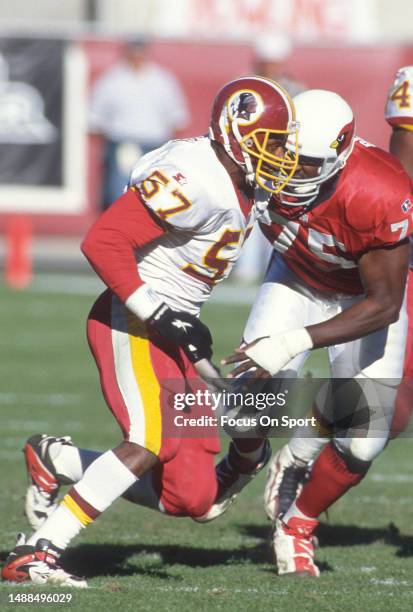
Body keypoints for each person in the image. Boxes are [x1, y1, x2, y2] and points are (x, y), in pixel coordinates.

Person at [1, 76, 299, 587]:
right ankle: (37, 553)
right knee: (150, 438)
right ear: (232, 134)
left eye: (278, 145)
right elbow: (104, 241)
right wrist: (159, 314)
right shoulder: (195, 175)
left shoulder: (244, 182)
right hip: (134, 316)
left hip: (177, 327)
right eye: (265, 143)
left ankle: (60, 459)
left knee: (196, 498)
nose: (275, 156)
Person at [222, 89, 413, 577]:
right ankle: (245, 460)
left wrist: (290, 342)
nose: (290, 170)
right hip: (295, 275)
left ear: (340, 154)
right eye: (285, 154)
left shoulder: (378, 191)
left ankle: (297, 523)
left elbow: (385, 304)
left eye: (307, 163)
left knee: (364, 440)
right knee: (245, 407)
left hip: (361, 301)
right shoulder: (260, 158)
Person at [233, 34, 305, 284]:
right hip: (249, 154)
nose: (270, 68)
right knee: (248, 206)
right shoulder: (244, 85)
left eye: (274, 63)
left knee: (276, 209)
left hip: (280, 157)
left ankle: (272, 263)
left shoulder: (295, 89)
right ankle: (245, 266)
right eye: (267, 62)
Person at [89, 38, 190, 210]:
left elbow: (177, 118)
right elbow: (95, 118)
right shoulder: (112, 80)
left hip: (155, 144)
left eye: (140, 52)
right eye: (134, 52)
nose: (137, 57)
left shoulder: (162, 80)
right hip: (124, 142)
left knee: (156, 192)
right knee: (121, 191)